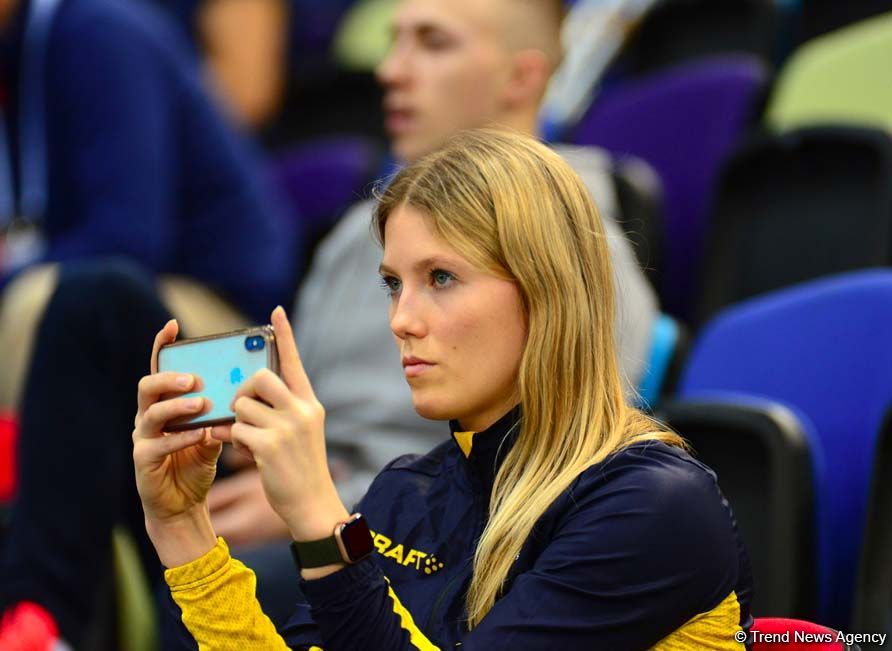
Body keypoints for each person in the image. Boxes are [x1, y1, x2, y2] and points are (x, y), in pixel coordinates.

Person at [0, 0, 658, 646]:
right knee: (97, 304)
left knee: (254, 579)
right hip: (291, 488)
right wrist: (239, 438)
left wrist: (326, 502)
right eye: (394, 41)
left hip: (403, 535)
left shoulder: (583, 247)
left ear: (523, 77)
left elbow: (556, 463)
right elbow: (302, 397)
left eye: (433, 43)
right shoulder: (357, 233)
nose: (392, 70)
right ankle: (40, 622)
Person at [135, 129, 753, 650]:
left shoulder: (652, 504)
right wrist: (187, 531)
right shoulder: (406, 489)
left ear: (546, 293)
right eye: (393, 284)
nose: (402, 319)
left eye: (440, 277)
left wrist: (318, 520)